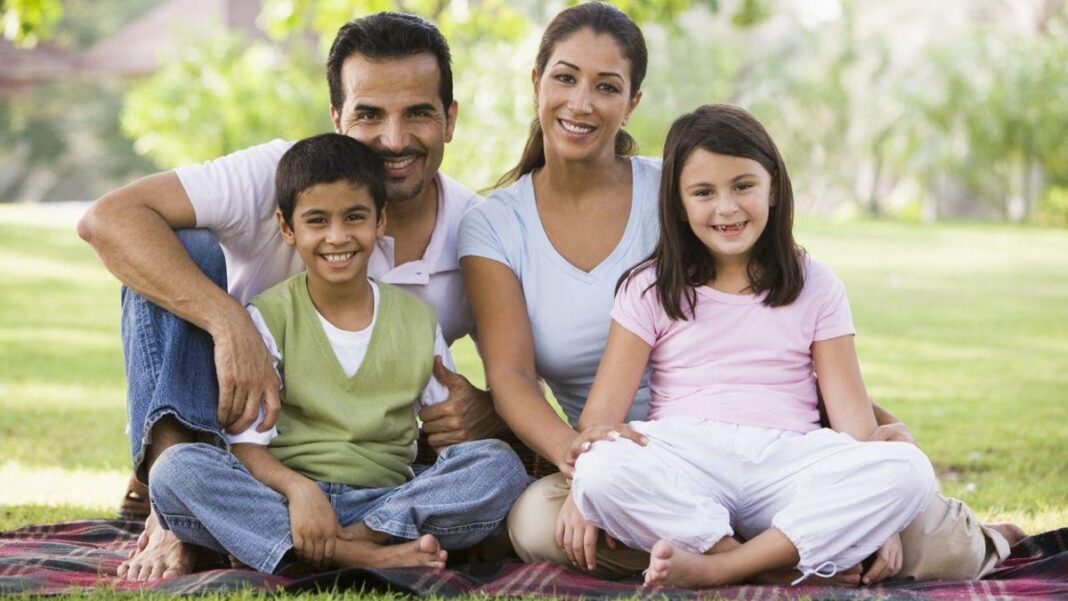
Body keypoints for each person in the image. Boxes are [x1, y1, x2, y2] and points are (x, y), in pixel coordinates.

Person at [459, 0, 1019, 585]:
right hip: (662, 461)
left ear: (633, 102)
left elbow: (815, 378)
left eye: (607, 85)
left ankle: (733, 563)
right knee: (541, 523)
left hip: (786, 456)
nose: (582, 102)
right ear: (536, 82)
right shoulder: (515, 230)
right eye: (565, 77)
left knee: (906, 487)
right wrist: (583, 472)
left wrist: (885, 438)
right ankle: (772, 558)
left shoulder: (681, 189)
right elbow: (533, 391)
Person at [77, 12, 506, 581]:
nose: (394, 140)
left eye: (419, 113)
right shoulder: (279, 174)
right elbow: (109, 219)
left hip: (376, 478)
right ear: (336, 118)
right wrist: (230, 323)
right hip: (247, 450)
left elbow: (522, 379)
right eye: (369, 114)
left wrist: (489, 411)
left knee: (495, 468)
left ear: (450, 119)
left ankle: (338, 539)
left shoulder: (479, 233)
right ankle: (170, 512)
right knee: (175, 248)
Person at [566, 103, 937, 588]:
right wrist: (583, 487)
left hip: (789, 459)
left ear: (774, 189)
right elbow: (599, 421)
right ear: (678, 204)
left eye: (743, 186)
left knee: (908, 469)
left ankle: (720, 568)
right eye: (703, 192)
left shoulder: (817, 285)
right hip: (687, 454)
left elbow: (853, 429)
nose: (727, 208)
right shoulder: (649, 287)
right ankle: (767, 563)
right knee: (601, 470)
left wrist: (876, 519)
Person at [148, 134, 527, 574]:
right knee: (177, 469)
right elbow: (245, 448)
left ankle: (354, 540)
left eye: (354, 217)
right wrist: (299, 491)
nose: (337, 236)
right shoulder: (269, 318)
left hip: (386, 503)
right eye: (317, 221)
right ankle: (356, 556)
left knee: (498, 465)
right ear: (287, 228)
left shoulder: (418, 324)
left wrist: (386, 517)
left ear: (379, 221)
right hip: (287, 502)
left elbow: (453, 446)